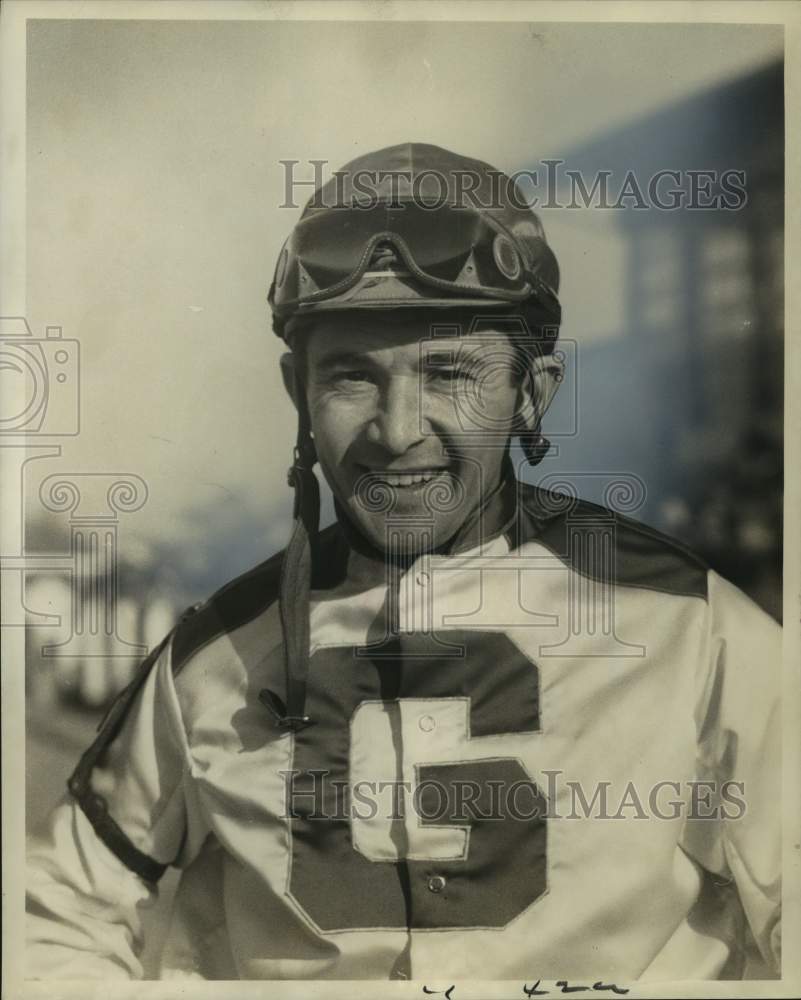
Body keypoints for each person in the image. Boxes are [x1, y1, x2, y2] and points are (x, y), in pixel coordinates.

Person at [26, 143, 781, 982]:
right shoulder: (211, 657)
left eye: (449, 372)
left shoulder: (691, 628)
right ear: (297, 394)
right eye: (351, 377)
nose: (397, 431)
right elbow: (56, 920)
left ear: (531, 392)